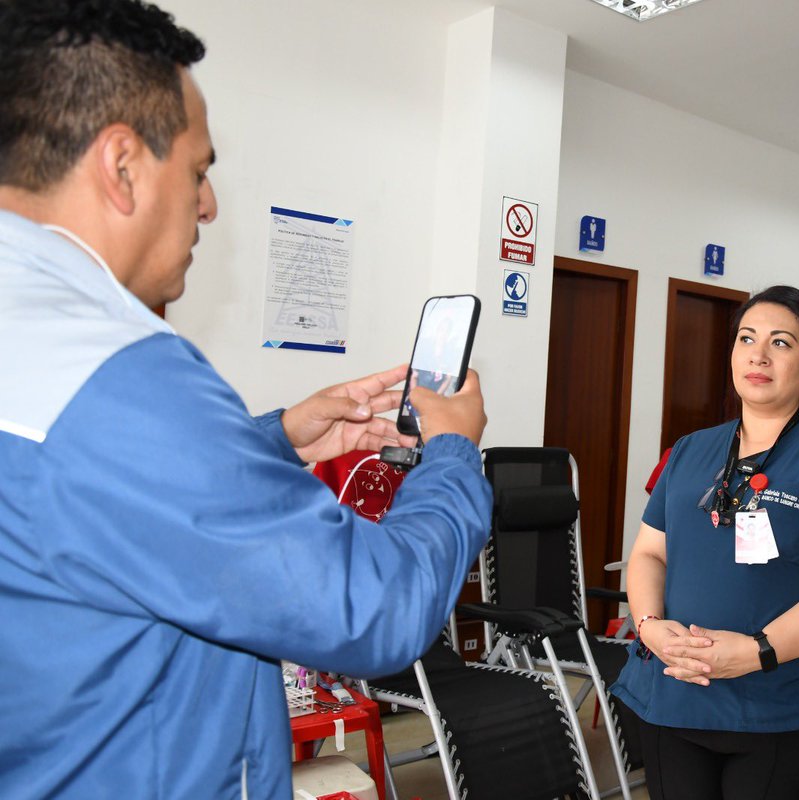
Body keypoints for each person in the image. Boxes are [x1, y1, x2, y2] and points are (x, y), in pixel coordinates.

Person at [0, 2, 490, 796]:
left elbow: (98, 505)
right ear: (121, 165)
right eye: (198, 170)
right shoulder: (119, 374)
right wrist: (456, 453)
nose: (208, 205)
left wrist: (279, 440)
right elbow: (373, 606)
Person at [611, 285, 799, 800]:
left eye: (781, 343)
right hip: (675, 698)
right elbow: (650, 552)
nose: (759, 355)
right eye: (747, 338)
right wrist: (649, 627)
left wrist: (757, 652)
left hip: (787, 709)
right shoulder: (691, 450)